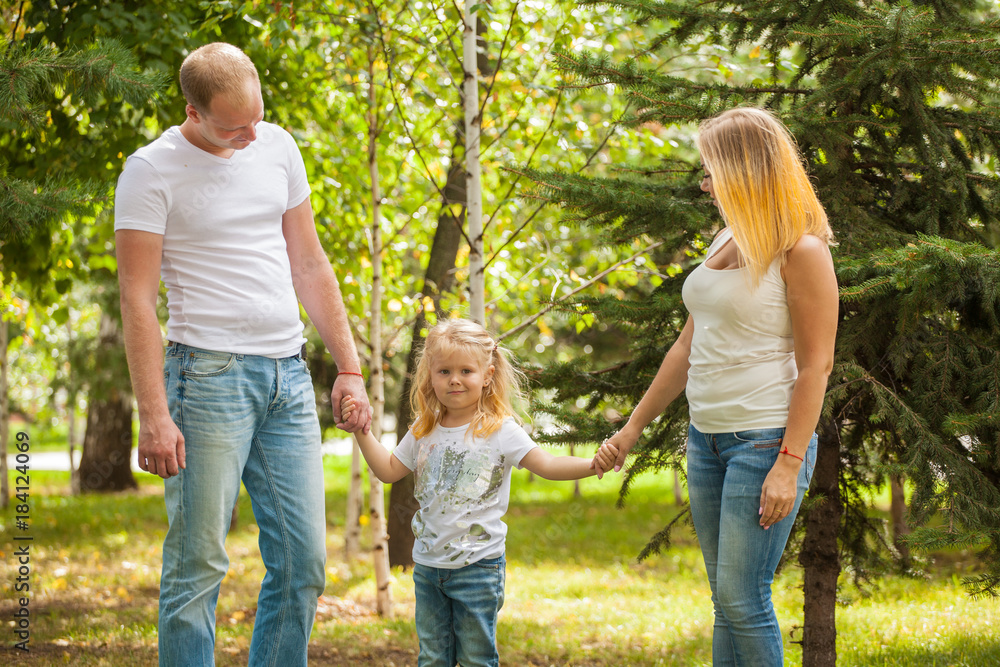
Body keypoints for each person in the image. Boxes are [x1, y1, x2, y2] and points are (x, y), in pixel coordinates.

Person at [114, 42, 372, 666]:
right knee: (198, 564)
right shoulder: (150, 171)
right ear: (193, 112)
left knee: (305, 564)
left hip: (286, 375)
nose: (250, 135)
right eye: (233, 127)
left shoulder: (277, 145)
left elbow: (309, 262)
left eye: (256, 118)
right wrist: (154, 412)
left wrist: (350, 367)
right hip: (206, 379)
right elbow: (137, 301)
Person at [596, 107, 838, 666]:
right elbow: (685, 349)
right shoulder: (726, 239)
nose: (704, 183)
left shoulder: (801, 251)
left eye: (710, 171)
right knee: (725, 601)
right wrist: (632, 429)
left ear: (745, 170)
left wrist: (788, 461)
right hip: (707, 440)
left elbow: (815, 368)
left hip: (765, 441)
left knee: (742, 598)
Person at [341, 318, 618, 667]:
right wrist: (361, 430)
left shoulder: (500, 429)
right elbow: (388, 470)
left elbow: (546, 465)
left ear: (487, 374)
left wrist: (593, 465)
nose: (454, 379)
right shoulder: (424, 428)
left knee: (476, 659)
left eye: (465, 371)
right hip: (428, 568)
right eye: (443, 371)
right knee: (433, 658)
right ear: (430, 376)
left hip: (478, 568)